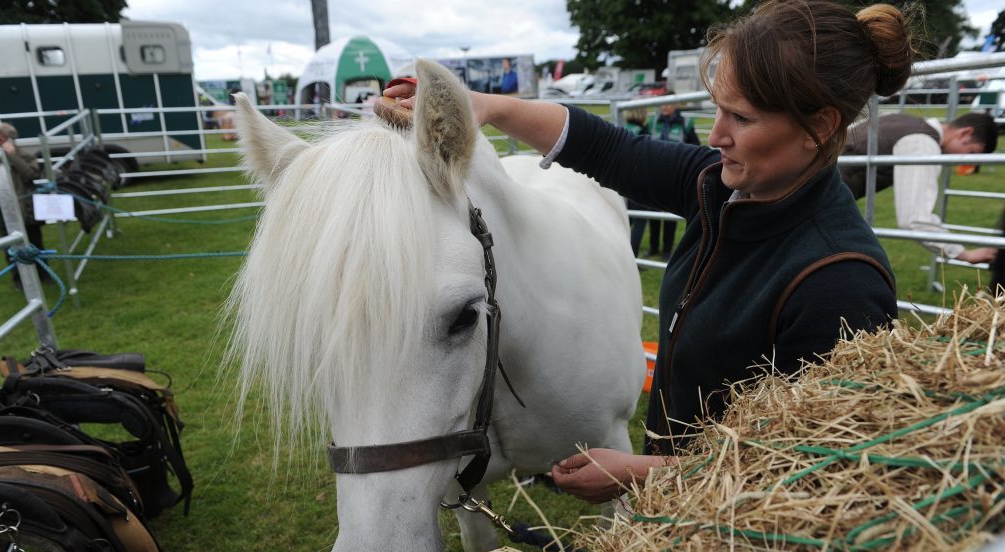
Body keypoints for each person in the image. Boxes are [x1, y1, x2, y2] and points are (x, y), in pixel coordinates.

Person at [384, 0, 912, 503]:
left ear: (819, 127)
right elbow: (607, 148)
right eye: (718, 111)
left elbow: (816, 471)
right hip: (690, 495)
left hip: (745, 542)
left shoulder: (839, 282)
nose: (716, 134)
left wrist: (645, 473)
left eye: (742, 119)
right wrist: (488, 106)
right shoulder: (721, 188)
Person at [840, 111, 999, 264]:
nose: (964, 162)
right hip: (821, 193)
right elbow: (915, 219)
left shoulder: (898, 118)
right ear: (965, 133)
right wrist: (964, 254)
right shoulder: (922, 144)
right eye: (971, 153)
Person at [0, 122, 46, 288]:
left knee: (34, 241)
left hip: (26, 207)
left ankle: (43, 274)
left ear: (11, 139)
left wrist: (12, 157)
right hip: (2, 209)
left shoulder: (23, 154)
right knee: (9, 245)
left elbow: (31, 174)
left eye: (1, 140)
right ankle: (19, 280)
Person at [652, 103, 702, 259]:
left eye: (668, 103)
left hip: (674, 176)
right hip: (655, 174)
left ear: (675, 105)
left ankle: (666, 249)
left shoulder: (685, 123)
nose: (664, 107)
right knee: (652, 213)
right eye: (662, 104)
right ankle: (654, 248)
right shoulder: (653, 122)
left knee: (669, 215)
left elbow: (696, 146)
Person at [622, 108, 660, 257]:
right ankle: (633, 258)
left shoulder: (623, 128)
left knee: (627, 219)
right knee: (640, 221)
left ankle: (620, 254)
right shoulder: (643, 132)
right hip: (639, 180)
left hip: (622, 180)